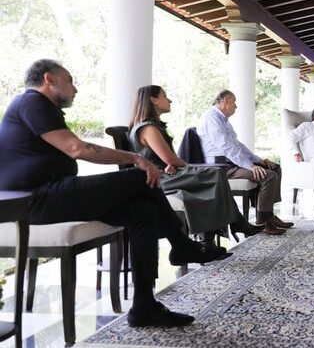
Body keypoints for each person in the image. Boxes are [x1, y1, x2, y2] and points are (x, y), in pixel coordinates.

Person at [0, 59, 226, 327]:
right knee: (141, 176)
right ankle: (181, 245)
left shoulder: (38, 107)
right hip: (36, 199)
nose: (75, 88)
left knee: (143, 211)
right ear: (49, 79)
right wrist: (137, 158)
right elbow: (77, 149)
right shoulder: (31, 102)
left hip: (52, 194)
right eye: (70, 80)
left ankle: (144, 305)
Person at [127, 85, 262, 245]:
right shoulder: (148, 128)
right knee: (215, 174)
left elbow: (164, 160)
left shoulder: (152, 126)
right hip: (158, 180)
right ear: (153, 100)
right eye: (165, 95)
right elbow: (170, 158)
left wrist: (171, 164)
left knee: (215, 175)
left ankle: (214, 236)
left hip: (165, 173)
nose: (169, 99)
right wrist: (186, 166)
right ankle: (224, 230)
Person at [196, 89, 292, 235]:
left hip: (230, 162)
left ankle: (269, 215)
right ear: (225, 101)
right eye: (234, 102)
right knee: (269, 176)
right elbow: (226, 148)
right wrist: (250, 166)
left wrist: (259, 160)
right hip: (221, 166)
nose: (236, 106)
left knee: (275, 167)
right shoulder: (211, 117)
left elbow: (238, 146)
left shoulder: (223, 121)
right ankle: (263, 221)